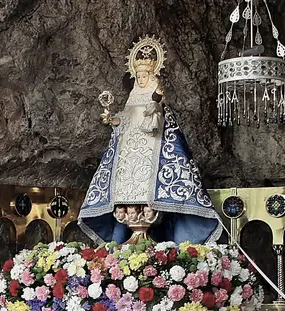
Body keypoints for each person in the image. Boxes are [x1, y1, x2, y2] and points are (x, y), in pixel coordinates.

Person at [78, 37, 222, 245]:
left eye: (145, 75)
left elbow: (159, 127)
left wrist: (156, 109)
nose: (142, 78)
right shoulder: (132, 99)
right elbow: (124, 122)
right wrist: (111, 118)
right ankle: (132, 233)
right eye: (138, 76)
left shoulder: (157, 101)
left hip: (152, 159)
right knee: (125, 199)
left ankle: (151, 233)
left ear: (152, 74)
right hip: (128, 162)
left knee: (152, 199)